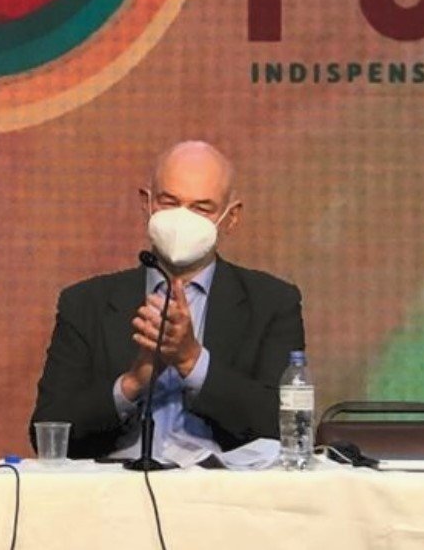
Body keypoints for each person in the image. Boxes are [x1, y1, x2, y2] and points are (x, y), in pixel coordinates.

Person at [31, 141, 306, 460]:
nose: (182, 220)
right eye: (169, 202)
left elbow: (287, 428)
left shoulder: (272, 303)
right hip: (117, 484)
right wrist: (131, 384)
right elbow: (47, 432)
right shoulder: (85, 304)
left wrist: (192, 362)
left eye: (201, 208)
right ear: (146, 203)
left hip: (221, 487)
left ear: (231, 218)